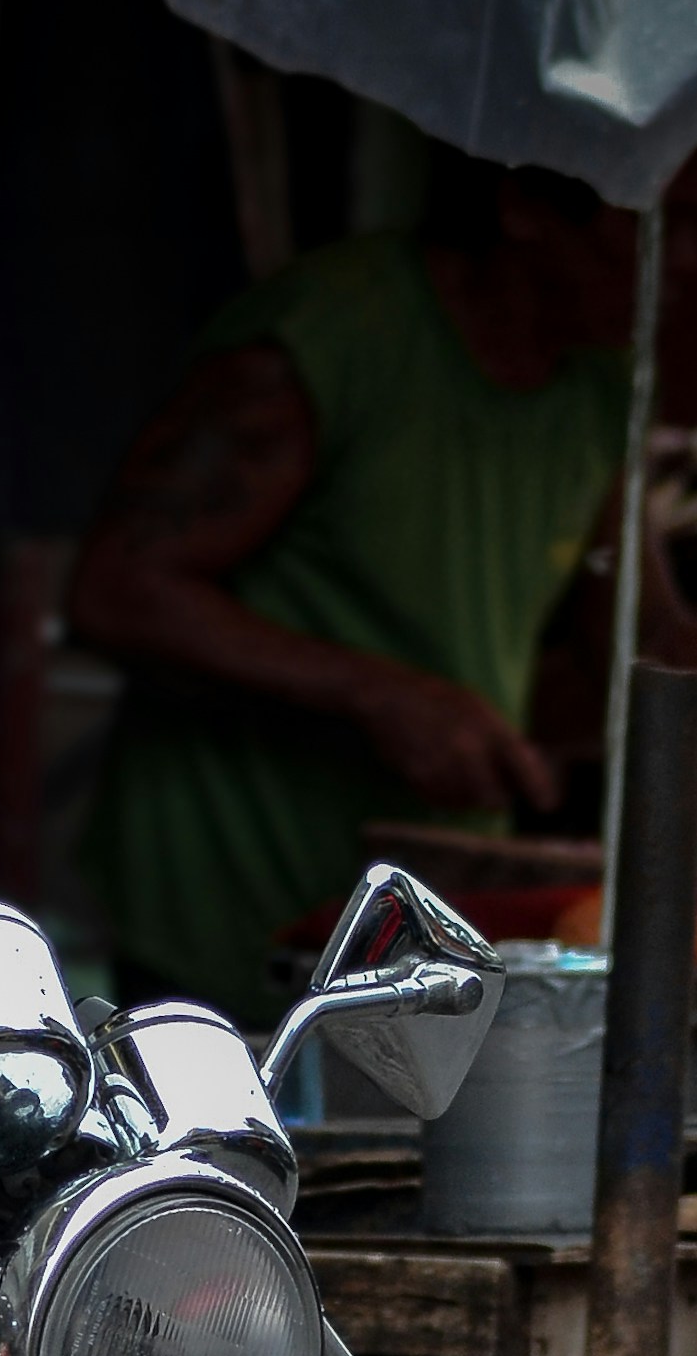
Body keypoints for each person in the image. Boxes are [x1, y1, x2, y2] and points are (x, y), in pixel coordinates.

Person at [69, 160, 697, 1018]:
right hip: (234, 905)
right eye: (660, 224)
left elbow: (644, 638)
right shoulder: (334, 333)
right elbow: (118, 588)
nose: (685, 260)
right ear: (526, 205)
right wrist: (379, 695)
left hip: (428, 924)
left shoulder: (596, 380)